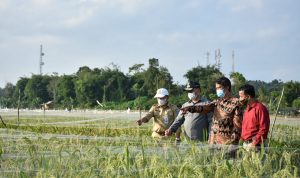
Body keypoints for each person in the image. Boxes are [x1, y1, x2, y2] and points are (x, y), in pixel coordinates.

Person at [181, 77, 242, 146]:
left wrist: (233, 143)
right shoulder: (217, 102)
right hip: (213, 141)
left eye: (219, 88)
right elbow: (205, 107)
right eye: (216, 88)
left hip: (226, 143)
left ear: (227, 87)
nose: (217, 90)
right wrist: (190, 108)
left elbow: (238, 127)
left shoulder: (236, 103)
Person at [238, 84, 270, 151]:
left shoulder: (260, 108)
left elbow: (264, 129)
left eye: (241, 97)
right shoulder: (247, 109)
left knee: (257, 161)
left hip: (257, 146)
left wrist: (254, 143)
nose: (240, 99)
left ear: (248, 97)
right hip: (246, 144)